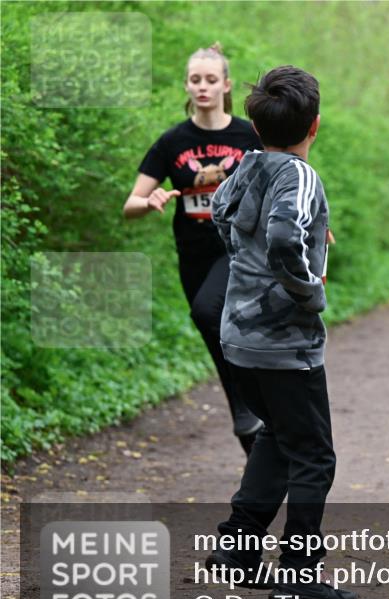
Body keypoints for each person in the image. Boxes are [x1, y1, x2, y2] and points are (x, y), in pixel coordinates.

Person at [205, 65, 354, 599]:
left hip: (238, 336)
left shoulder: (244, 166)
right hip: (284, 343)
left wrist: (248, 271)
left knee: (278, 433)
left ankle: (239, 546)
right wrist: (308, 291)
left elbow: (221, 214)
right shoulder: (300, 175)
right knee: (315, 455)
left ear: (257, 125)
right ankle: (298, 577)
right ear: (314, 125)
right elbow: (285, 238)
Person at [123, 43, 263, 455]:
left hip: (238, 249)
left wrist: (312, 219)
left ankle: (247, 410)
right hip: (194, 256)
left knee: (206, 311)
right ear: (187, 85)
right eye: (195, 80)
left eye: (211, 79)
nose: (203, 87)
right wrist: (149, 202)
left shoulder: (248, 134)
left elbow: (290, 175)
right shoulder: (172, 142)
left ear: (226, 85)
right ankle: (251, 424)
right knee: (216, 329)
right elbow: (129, 204)